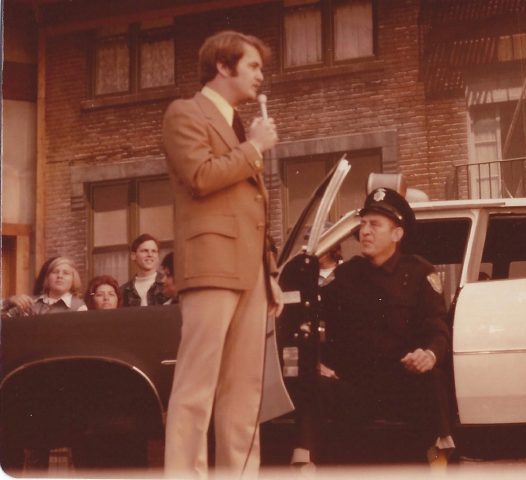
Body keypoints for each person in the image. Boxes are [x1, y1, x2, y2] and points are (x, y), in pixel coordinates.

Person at [162, 30, 292, 478]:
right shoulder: (185, 112)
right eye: (253, 65)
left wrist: (268, 270)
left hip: (250, 270)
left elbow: (250, 208)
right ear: (223, 65)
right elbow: (200, 176)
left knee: (244, 389)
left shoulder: (238, 125)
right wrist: (254, 148)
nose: (260, 75)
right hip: (211, 266)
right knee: (196, 387)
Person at [291, 188, 456, 467]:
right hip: (356, 388)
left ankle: (439, 460)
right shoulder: (346, 275)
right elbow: (313, 319)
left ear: (397, 234)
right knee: (312, 380)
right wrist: (317, 362)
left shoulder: (419, 272)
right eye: (363, 224)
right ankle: (303, 464)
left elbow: (437, 327)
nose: (364, 231)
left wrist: (429, 354)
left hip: (402, 386)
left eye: (375, 224)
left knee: (433, 378)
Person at [2, 256, 87, 316]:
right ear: (47, 278)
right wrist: (9, 301)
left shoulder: (79, 307)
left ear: (73, 279)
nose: (60, 276)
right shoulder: (30, 302)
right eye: (55, 272)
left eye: (66, 273)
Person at [120, 234, 169, 307]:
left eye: (154, 251)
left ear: (158, 256)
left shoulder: (168, 285)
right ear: (133, 256)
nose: (150, 254)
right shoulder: (123, 291)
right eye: (145, 251)